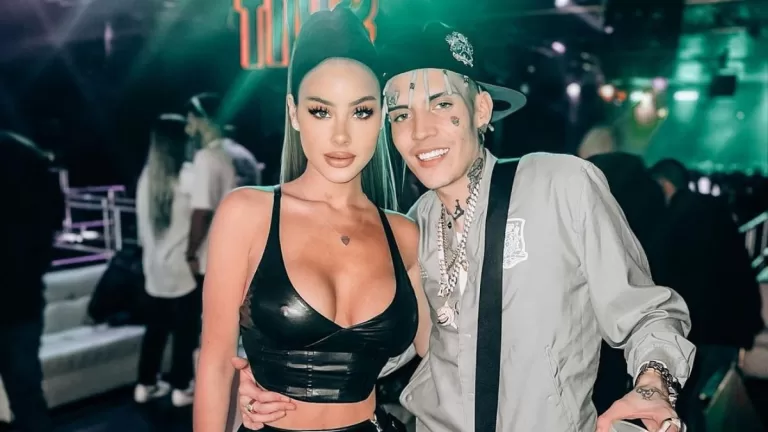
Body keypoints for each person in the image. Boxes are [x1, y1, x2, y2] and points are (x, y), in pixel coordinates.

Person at [236, 22, 696, 432]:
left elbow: (648, 313)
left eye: (440, 105)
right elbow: (376, 342)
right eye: (400, 115)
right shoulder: (412, 227)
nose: (420, 131)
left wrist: (653, 386)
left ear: (480, 109)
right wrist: (273, 380)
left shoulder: (559, 186)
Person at [193, 7, 431, 432]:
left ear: (381, 116)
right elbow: (215, 365)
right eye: (321, 111)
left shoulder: (404, 234)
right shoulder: (246, 214)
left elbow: (449, 354)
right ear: (294, 112)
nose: (341, 135)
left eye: (360, 112)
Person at [650, 158, 763, 431]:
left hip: (701, 331)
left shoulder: (678, 219)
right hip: (727, 329)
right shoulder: (713, 214)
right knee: (703, 402)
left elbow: (677, 279)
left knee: (686, 404)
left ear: (664, 185)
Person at [134, 115, 203, 407]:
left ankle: (145, 383)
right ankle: (181, 387)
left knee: (156, 329)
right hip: (183, 266)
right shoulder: (188, 176)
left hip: (153, 268)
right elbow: (204, 217)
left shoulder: (146, 178)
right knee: (185, 330)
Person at [0, 131, 62, 432]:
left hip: (20, 295)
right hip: (24, 297)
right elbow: (55, 221)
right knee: (27, 393)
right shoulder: (29, 156)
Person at [184, 92, 261, 280]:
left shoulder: (207, 157)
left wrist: (191, 253)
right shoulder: (246, 156)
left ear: (203, 121)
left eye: (190, 121)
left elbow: (202, 212)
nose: (187, 129)